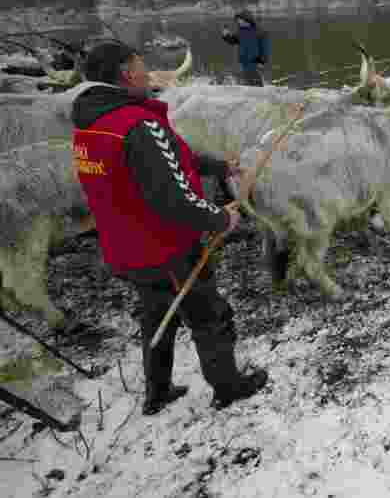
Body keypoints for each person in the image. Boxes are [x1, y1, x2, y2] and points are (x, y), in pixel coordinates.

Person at [71, 43, 269, 415]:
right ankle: (229, 387)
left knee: (158, 316)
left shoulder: (91, 125)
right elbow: (173, 199)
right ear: (126, 73)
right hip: (167, 248)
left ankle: (157, 391)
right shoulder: (139, 124)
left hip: (125, 247)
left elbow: (163, 163)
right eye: (141, 66)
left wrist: (217, 167)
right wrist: (220, 218)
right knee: (209, 316)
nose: (148, 74)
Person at [221, 10, 270, 86]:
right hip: (243, 60)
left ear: (246, 19)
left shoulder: (259, 31)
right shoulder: (241, 31)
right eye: (237, 20)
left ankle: (259, 88)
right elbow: (233, 41)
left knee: (255, 79)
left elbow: (265, 47)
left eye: (240, 20)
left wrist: (262, 61)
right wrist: (226, 36)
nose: (238, 22)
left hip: (254, 60)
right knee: (245, 79)